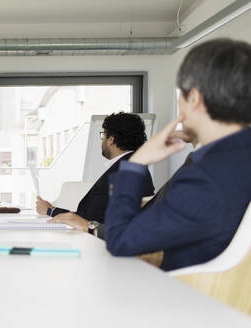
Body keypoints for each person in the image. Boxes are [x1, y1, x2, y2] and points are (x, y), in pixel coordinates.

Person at [104, 38, 251, 271]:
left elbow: (120, 239)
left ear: (194, 98)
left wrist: (138, 161)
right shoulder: (237, 159)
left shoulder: (207, 177)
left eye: (180, 95)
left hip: (190, 298)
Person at [37, 112, 155, 238]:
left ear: (111, 139)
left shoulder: (122, 173)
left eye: (103, 135)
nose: (102, 140)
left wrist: (50, 210)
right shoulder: (132, 166)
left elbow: (89, 220)